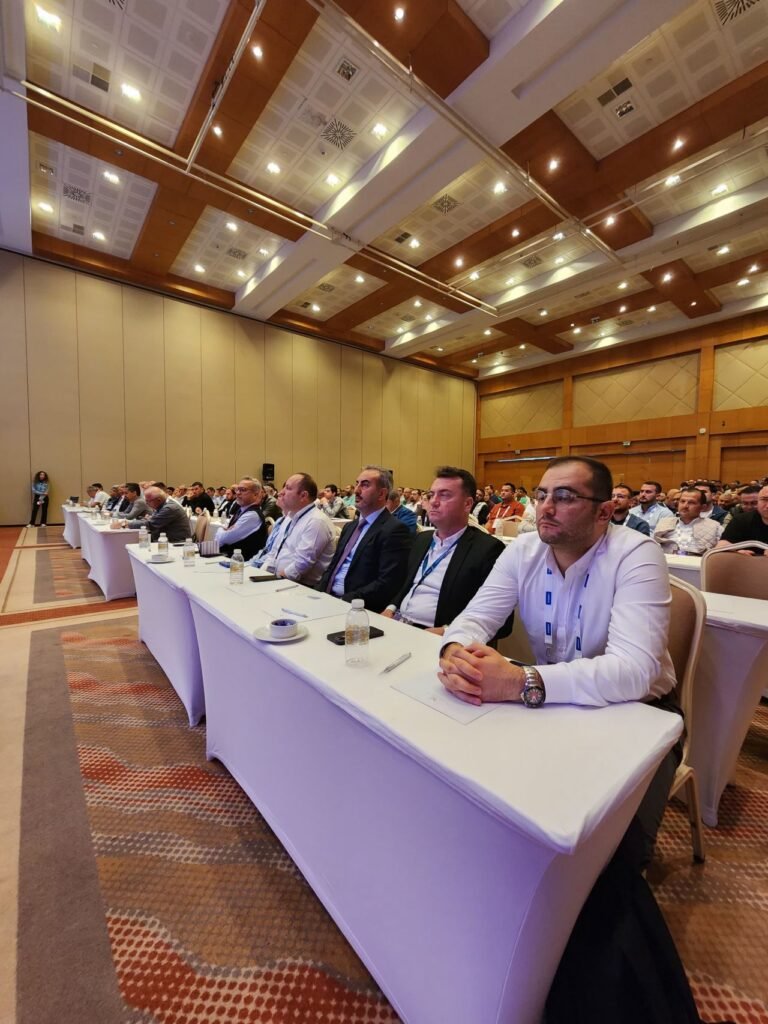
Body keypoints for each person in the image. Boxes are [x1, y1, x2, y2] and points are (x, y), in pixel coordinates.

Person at [438, 456, 678, 873]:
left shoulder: (636, 554)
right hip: (551, 700)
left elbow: (635, 671)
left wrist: (518, 681)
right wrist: (454, 651)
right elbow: (474, 619)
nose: (546, 507)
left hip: (639, 713)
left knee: (608, 862)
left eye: (564, 497)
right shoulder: (523, 550)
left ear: (604, 511)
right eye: (542, 494)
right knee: (482, 803)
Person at [382, 467, 511, 636]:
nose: (434, 502)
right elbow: (405, 585)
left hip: (439, 635)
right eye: (432, 495)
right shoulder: (422, 539)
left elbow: (500, 619)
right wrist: (390, 608)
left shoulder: (487, 549)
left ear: (467, 504)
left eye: (444, 495)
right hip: (398, 624)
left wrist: (447, 631)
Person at [318, 465, 411, 612]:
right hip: (327, 600)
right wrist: (318, 593)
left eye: (365, 485)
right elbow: (332, 567)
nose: (356, 490)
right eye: (357, 483)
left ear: (381, 494)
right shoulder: (350, 527)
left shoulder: (394, 530)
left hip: (357, 607)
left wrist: (345, 601)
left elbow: (387, 582)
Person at [251, 473, 336, 585]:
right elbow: (274, 554)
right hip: (278, 579)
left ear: (303, 496)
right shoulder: (289, 518)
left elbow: (300, 567)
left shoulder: (316, 521)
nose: (281, 492)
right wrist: (261, 575)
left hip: (300, 586)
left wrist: (272, 581)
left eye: (288, 488)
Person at [653, 487, 722, 554]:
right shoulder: (664, 522)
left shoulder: (715, 527)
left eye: (691, 502)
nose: (685, 506)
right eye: (682, 501)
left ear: (702, 507)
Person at [215, 478, 268, 560]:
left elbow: (225, 538)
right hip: (230, 557)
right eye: (237, 489)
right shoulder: (241, 510)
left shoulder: (252, 515)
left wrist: (220, 530)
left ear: (255, 494)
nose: (238, 493)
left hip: (242, 562)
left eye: (243, 490)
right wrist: (225, 531)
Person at [124, 486, 191, 542]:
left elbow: (151, 524)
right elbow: (152, 520)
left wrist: (127, 524)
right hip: (165, 540)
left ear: (158, 500)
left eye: (148, 501)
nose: (146, 503)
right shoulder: (162, 505)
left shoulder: (169, 508)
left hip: (176, 543)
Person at [716, 483, 768, 553]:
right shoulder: (740, 520)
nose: (767, 506)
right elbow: (721, 545)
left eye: (753, 503)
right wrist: (736, 552)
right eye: (764, 499)